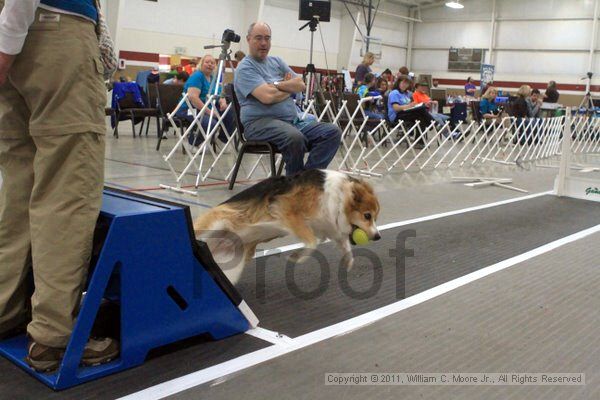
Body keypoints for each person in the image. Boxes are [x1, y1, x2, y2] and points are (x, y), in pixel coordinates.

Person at [0, 0, 118, 371]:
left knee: (19, 189)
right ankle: (53, 336)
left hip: (16, 36)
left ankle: (4, 309)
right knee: (66, 191)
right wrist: (7, 41)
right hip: (53, 33)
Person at [234, 22, 341, 176]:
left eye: (267, 38)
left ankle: (305, 179)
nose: (264, 43)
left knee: (332, 132)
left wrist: (275, 85)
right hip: (259, 124)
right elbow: (267, 97)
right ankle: (294, 183)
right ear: (248, 39)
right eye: (258, 38)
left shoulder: (277, 62)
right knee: (294, 137)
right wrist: (288, 88)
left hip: (291, 122)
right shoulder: (245, 68)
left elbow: (301, 84)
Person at [177, 54, 235, 145]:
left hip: (206, 107)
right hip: (189, 108)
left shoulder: (213, 78)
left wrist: (222, 102)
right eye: (207, 62)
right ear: (201, 64)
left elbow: (219, 95)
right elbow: (193, 98)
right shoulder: (197, 76)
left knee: (231, 112)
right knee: (211, 122)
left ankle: (222, 140)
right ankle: (193, 143)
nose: (210, 64)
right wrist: (210, 112)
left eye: (212, 63)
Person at [387, 77, 434, 145]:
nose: (405, 85)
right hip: (396, 116)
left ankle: (419, 142)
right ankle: (433, 124)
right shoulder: (394, 93)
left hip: (406, 113)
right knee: (421, 111)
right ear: (399, 82)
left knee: (421, 117)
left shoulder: (406, 94)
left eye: (407, 83)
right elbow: (396, 108)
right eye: (403, 83)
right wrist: (409, 106)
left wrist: (414, 104)